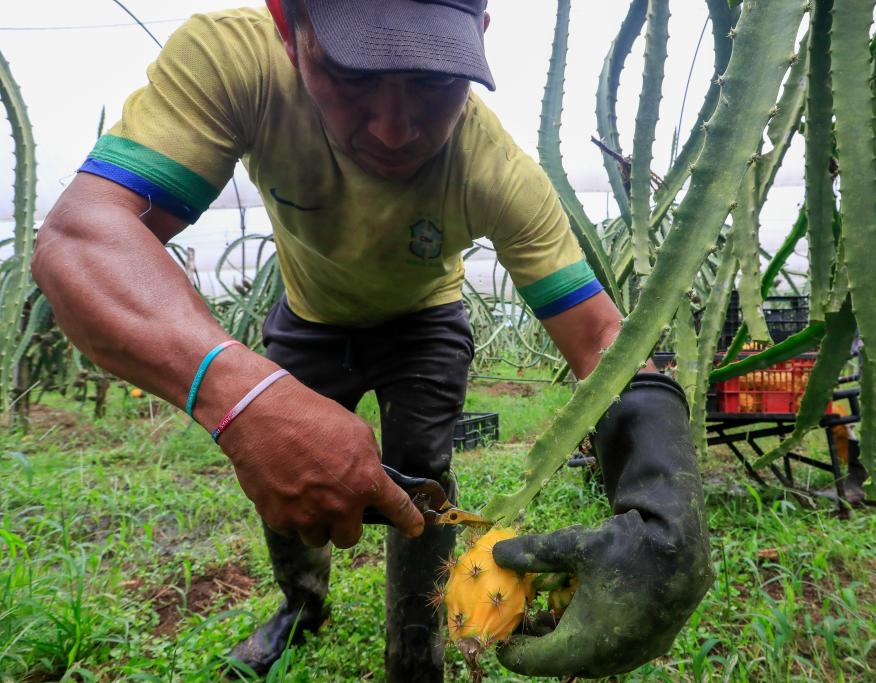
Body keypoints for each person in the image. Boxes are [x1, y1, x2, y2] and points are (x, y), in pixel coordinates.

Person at [31, 0, 711, 679]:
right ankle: (301, 604)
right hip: (309, 315)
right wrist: (245, 396)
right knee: (283, 465)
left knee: (423, 484)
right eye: (352, 78)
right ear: (289, 30)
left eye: (432, 83)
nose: (394, 129)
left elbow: (599, 338)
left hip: (424, 323)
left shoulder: (494, 169)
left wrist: (664, 499)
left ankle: (417, 646)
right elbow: (83, 238)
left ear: (478, 39)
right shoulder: (237, 63)